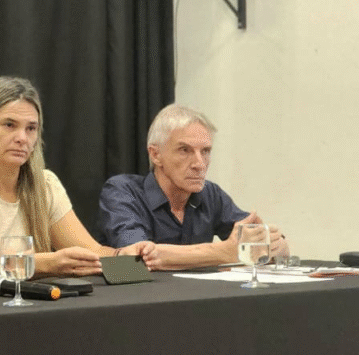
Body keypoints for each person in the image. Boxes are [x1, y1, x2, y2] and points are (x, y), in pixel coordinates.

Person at [0, 77, 150, 282]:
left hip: (32, 307)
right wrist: (47, 264)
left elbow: (92, 253)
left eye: (31, 128)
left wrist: (126, 256)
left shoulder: (45, 185)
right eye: (9, 125)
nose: (22, 138)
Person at [96, 104, 289, 270]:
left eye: (205, 151)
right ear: (155, 155)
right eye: (184, 150)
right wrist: (224, 252)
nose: (199, 164)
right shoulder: (122, 191)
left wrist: (275, 245)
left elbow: (261, 243)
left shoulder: (210, 193)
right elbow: (136, 257)